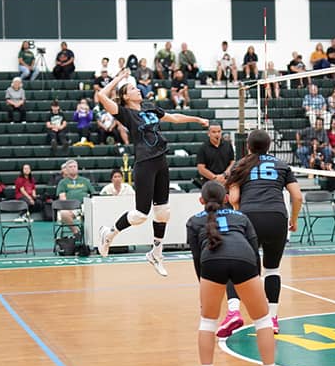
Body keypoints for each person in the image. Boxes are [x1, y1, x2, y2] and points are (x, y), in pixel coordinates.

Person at [97, 68, 210, 276]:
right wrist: (119, 78)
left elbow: (174, 118)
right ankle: (109, 233)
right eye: (132, 88)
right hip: (145, 164)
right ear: (125, 96)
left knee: (163, 213)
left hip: (161, 161)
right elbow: (101, 96)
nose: (138, 89)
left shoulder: (149, 107)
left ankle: (156, 253)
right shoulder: (126, 114)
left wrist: (197, 119)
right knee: (141, 214)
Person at [186, 181, 290, 366]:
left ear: (201, 201)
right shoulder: (241, 217)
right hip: (244, 260)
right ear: (226, 198)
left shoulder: (193, 221)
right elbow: (254, 252)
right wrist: (255, 282)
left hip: (211, 263)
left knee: (207, 321)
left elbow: (197, 259)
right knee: (262, 320)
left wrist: (203, 288)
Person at [219, 129, 303, 337]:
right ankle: (272, 319)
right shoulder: (282, 165)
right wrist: (293, 220)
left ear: (248, 146)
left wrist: (240, 216)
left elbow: (235, 198)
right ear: (269, 145)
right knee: (272, 269)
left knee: (237, 267)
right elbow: (297, 196)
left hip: (250, 217)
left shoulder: (240, 165)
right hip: (276, 218)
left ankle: (233, 312)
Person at [56, 160, 95, 237]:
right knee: (63, 213)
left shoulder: (85, 181)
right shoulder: (63, 182)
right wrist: (68, 207)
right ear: (66, 170)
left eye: (74, 166)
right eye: (70, 167)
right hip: (72, 208)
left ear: (77, 168)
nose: (73, 168)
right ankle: (76, 232)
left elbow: (93, 195)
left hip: (85, 206)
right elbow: (62, 198)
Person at [196, 122, 235, 187]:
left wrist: (225, 174)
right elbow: (201, 168)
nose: (217, 134)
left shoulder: (228, 145)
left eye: (219, 132)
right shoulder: (203, 148)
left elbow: (232, 162)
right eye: (214, 132)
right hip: (209, 183)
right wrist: (215, 178)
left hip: (226, 180)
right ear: (208, 134)